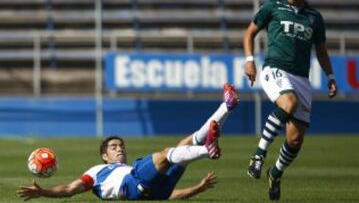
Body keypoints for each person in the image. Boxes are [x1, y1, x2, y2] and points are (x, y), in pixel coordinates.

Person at [17, 83, 239, 201]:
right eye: (114, 147)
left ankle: (226, 106)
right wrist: (43, 192)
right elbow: (70, 188)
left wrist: (198, 189)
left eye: (121, 145)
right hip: (129, 187)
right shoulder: (97, 171)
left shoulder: (130, 168)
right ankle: (207, 149)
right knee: (164, 154)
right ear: (104, 156)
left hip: (152, 191)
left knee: (182, 145)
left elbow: (169, 195)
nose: (119, 148)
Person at [243, 0, 337, 201]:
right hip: (275, 69)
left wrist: (331, 76)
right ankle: (258, 155)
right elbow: (249, 34)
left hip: (302, 78)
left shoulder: (315, 18)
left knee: (295, 139)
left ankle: (274, 174)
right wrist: (249, 60)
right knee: (288, 103)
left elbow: (322, 52)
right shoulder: (273, 6)